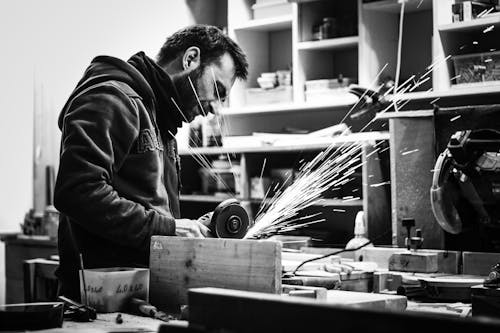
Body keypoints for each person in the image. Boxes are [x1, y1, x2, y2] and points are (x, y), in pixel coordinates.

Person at [54, 24, 248, 300]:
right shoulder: (112, 98)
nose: (214, 109)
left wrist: (194, 227)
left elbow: (147, 209)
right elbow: (77, 191)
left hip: (136, 297)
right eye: (216, 90)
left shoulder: (160, 121)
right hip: (100, 302)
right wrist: (168, 229)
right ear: (190, 59)